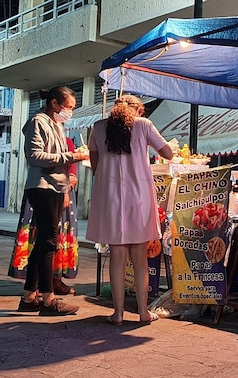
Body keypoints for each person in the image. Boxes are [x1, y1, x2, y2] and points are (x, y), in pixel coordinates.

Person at [86, 95, 173, 326]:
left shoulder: (98, 127)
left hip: (110, 197)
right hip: (139, 198)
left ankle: (118, 314)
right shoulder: (143, 125)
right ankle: (143, 312)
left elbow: (94, 164)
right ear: (137, 110)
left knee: (117, 257)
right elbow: (168, 154)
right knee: (140, 259)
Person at [18, 86, 89, 316]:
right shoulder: (37, 122)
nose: (69, 112)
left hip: (57, 187)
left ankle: (29, 296)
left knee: (45, 242)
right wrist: (72, 156)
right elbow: (35, 156)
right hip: (42, 187)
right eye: (68, 107)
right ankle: (48, 299)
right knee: (48, 242)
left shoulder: (57, 124)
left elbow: (60, 156)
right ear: (54, 103)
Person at [9, 136, 80, 296]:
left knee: (57, 237)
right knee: (41, 237)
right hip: (43, 192)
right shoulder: (37, 137)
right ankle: (38, 286)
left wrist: (68, 185)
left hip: (62, 193)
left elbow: (73, 170)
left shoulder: (67, 141)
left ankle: (54, 280)